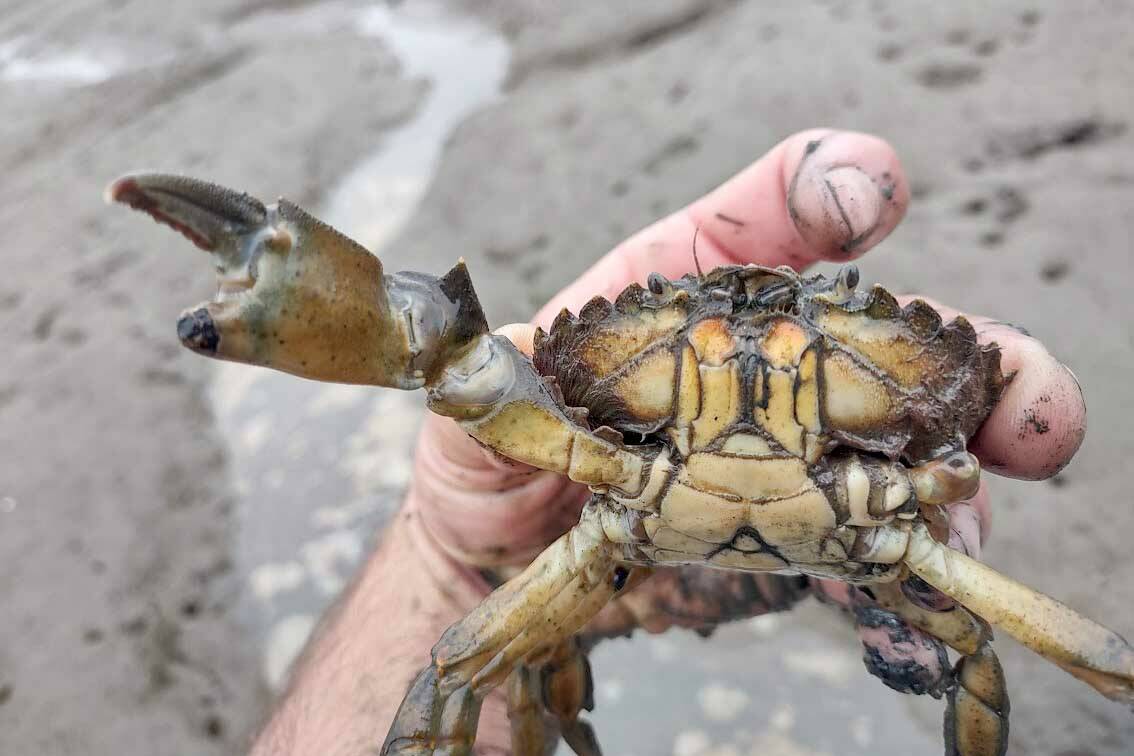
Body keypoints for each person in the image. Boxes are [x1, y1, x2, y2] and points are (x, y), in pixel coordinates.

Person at [249, 130, 1086, 755]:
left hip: (723, 528)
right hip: (645, 539)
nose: (749, 352)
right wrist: (448, 564)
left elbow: (981, 413)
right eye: (689, 320)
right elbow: (455, 365)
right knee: (463, 667)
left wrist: (447, 570)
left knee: (978, 654)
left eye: (813, 334)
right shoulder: (565, 488)